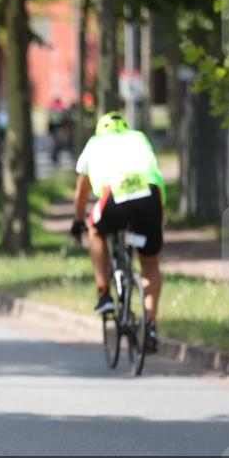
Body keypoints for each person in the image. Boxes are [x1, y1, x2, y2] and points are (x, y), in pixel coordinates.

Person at [71, 111, 166, 352]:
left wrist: (78, 221)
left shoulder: (94, 143)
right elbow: (155, 174)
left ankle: (104, 293)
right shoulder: (139, 137)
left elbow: (81, 192)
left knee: (96, 230)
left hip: (116, 194)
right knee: (150, 263)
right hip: (150, 195)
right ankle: (151, 324)